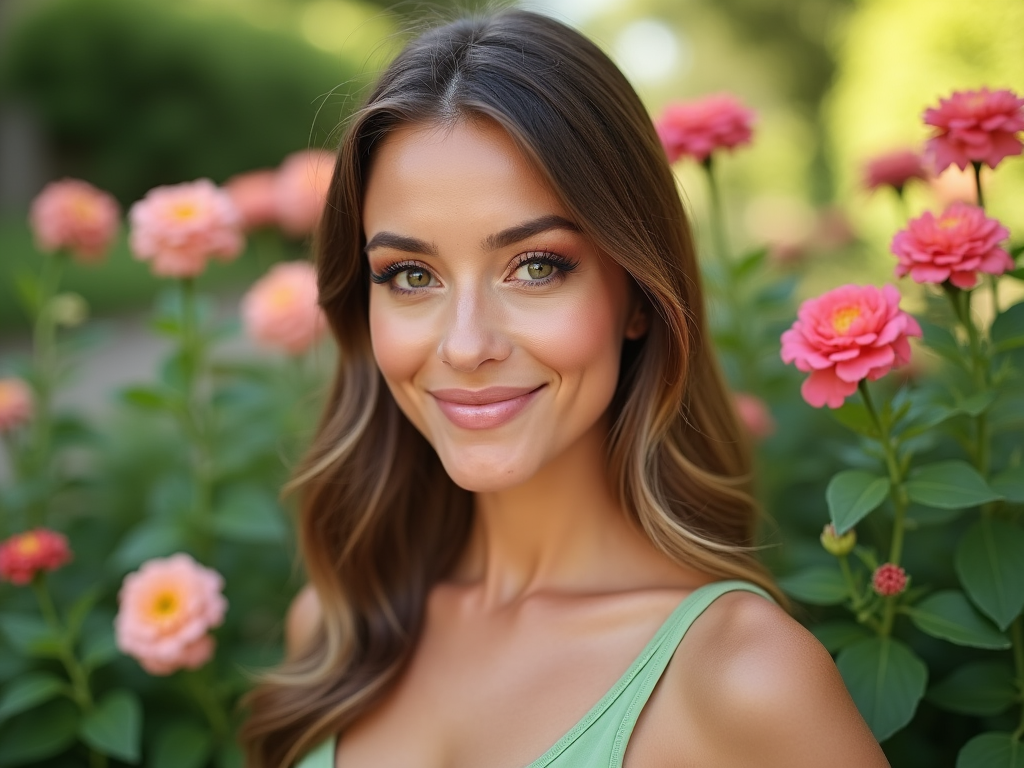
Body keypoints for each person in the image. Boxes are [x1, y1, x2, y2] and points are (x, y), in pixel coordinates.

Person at [241, 9, 889, 768]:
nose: (465, 345)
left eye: (536, 266)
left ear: (640, 296)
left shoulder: (743, 679)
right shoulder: (333, 632)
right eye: (411, 276)